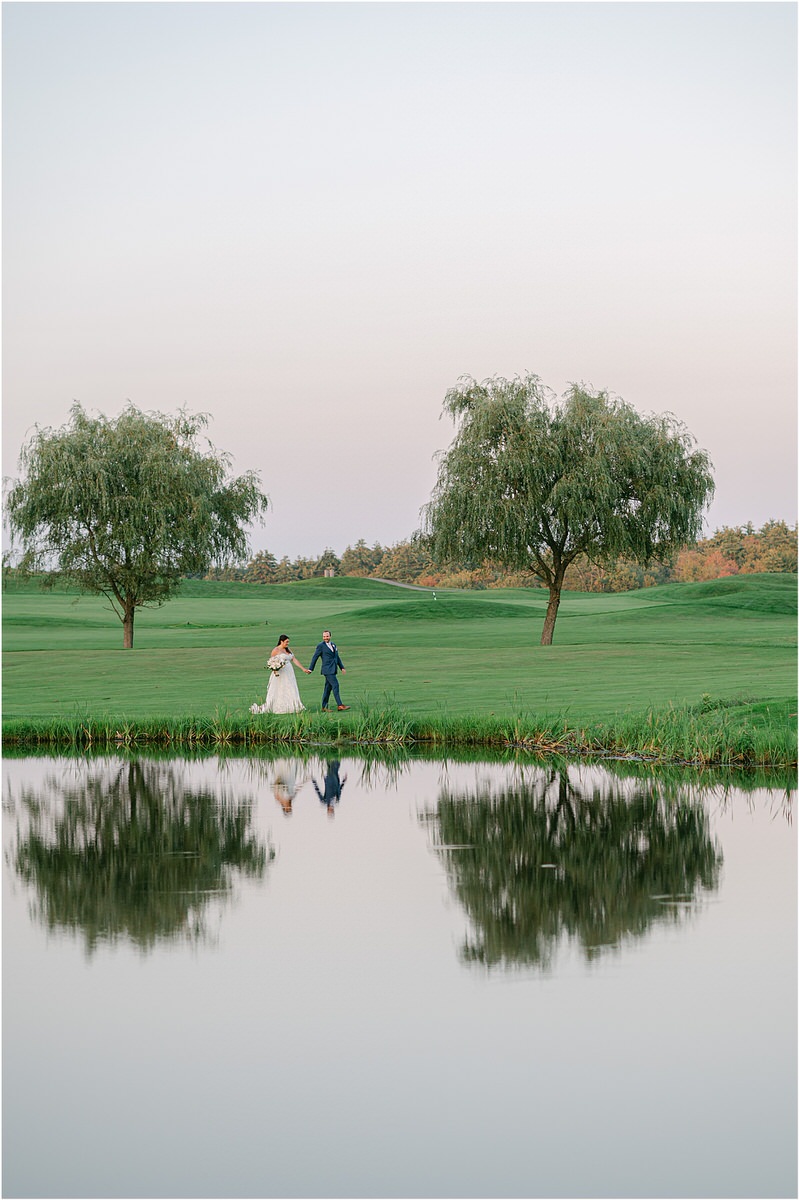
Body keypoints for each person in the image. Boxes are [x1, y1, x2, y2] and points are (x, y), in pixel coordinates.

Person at [250, 634, 311, 715]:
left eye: (288, 642)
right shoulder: (276, 650)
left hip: (289, 672)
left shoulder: (288, 650)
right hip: (280, 673)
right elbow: (272, 661)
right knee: (280, 688)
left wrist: (303, 669)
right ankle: (279, 706)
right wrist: (275, 670)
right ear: (281, 641)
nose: (287, 643)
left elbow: (294, 659)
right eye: (286, 642)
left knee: (291, 687)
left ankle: (293, 706)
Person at [308, 629, 349, 711]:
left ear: (330, 636)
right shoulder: (320, 646)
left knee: (328, 688)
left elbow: (337, 657)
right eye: (324, 636)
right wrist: (310, 669)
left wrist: (342, 667)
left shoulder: (333, 645)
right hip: (327, 670)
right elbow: (315, 657)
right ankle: (340, 705)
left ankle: (324, 707)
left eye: (327, 636)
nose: (325, 638)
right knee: (335, 685)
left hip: (333, 669)